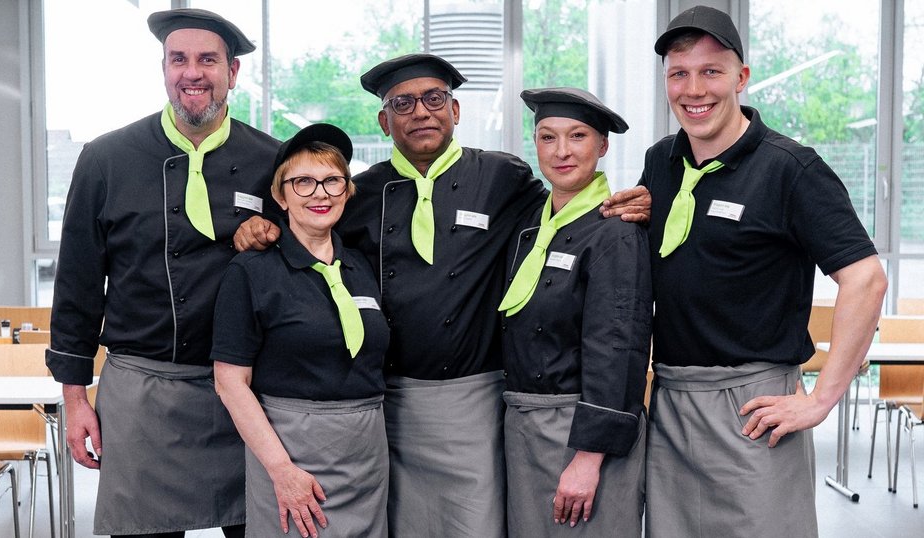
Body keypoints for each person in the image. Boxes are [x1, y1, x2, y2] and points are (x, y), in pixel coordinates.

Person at [233, 53, 651, 537]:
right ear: (383, 121)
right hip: (387, 406)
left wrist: (627, 199)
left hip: (473, 403)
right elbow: (304, 220)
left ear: (456, 111)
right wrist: (259, 226)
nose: (421, 112)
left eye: (434, 98)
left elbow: (567, 214)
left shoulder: (504, 178)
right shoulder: (357, 194)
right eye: (403, 103)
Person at [642, 6, 887, 537]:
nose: (694, 89)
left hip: (753, 409)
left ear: (741, 77)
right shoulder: (661, 160)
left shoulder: (791, 168)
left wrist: (820, 400)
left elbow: (866, 278)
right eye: (678, 74)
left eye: (711, 71)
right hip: (670, 404)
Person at [44, 8, 280, 538]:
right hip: (142, 392)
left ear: (233, 73)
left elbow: (304, 268)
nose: (191, 73)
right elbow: (78, 283)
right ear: (164, 69)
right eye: (178, 59)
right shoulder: (106, 158)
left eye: (207, 60)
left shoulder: (272, 160)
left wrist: (275, 239)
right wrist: (76, 398)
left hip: (243, 391)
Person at [212, 124, 390, 538]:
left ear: (347, 190)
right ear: (280, 195)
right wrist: (282, 471)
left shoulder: (361, 268)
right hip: (292, 457)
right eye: (303, 182)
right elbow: (230, 382)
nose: (320, 193)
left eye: (332, 181)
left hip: (367, 460)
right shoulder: (252, 271)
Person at [500, 87, 650, 537]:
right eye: (548, 138)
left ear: (602, 146)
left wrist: (588, 456)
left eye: (578, 136)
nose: (561, 151)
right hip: (526, 428)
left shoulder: (616, 231)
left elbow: (618, 347)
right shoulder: (529, 226)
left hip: (583, 431)